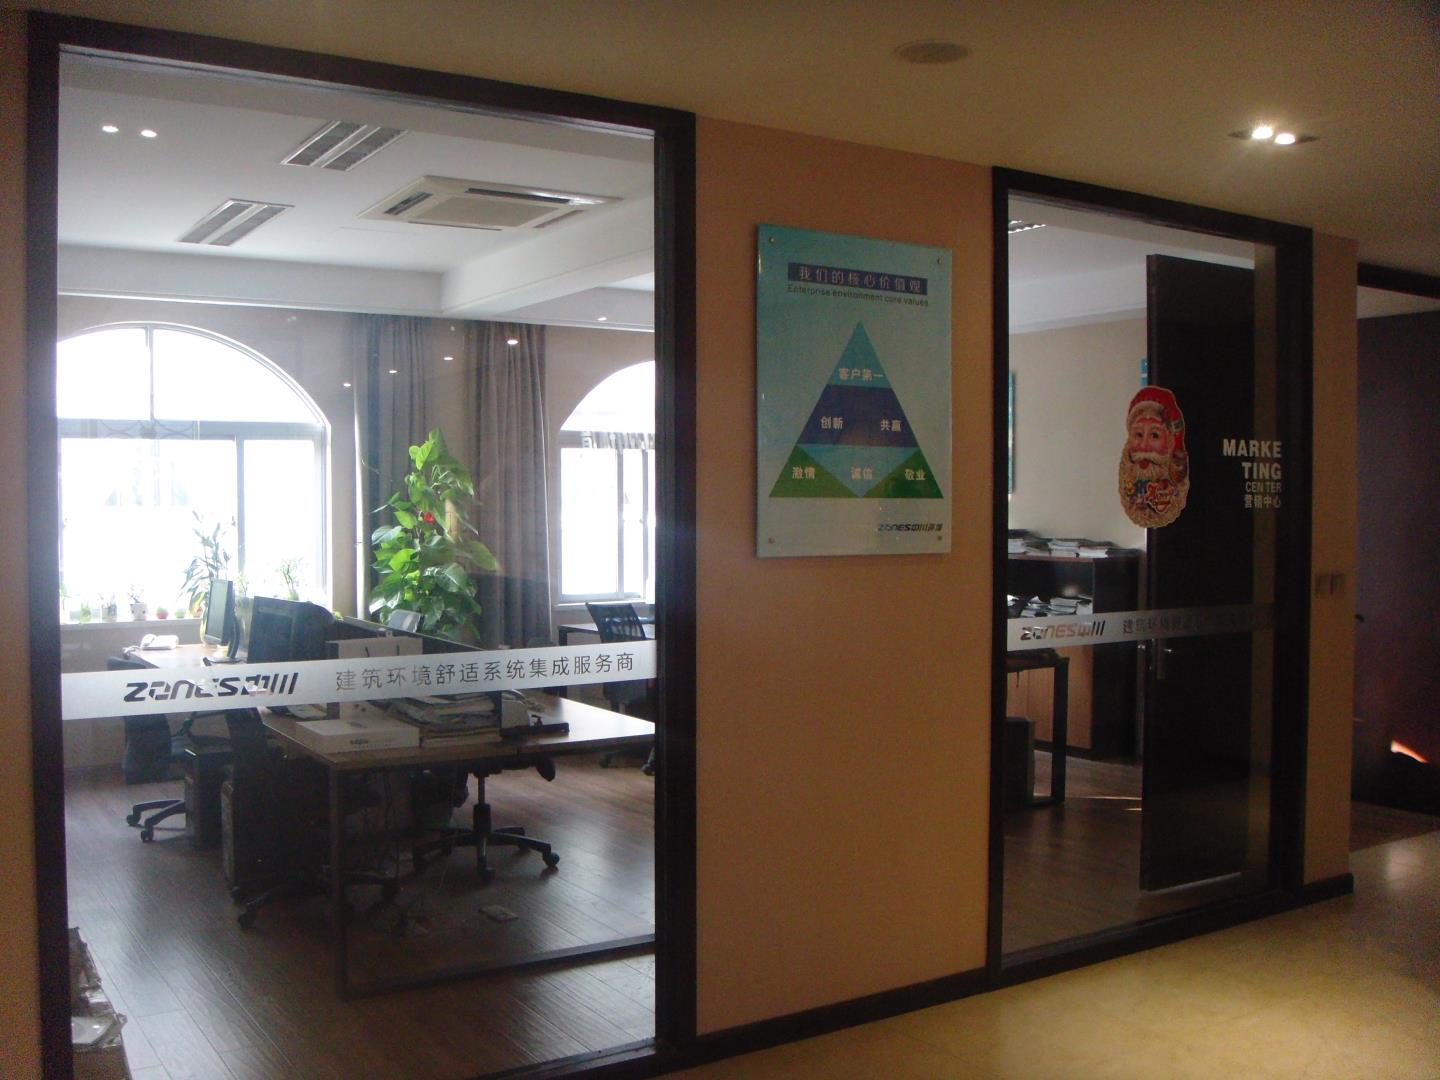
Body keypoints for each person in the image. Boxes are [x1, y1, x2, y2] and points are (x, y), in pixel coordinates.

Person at [1118, 385, 1190, 528]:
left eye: (1155, 435)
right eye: (1138, 434)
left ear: (1170, 440)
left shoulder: (1173, 475)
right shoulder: (1129, 473)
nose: (1144, 446)